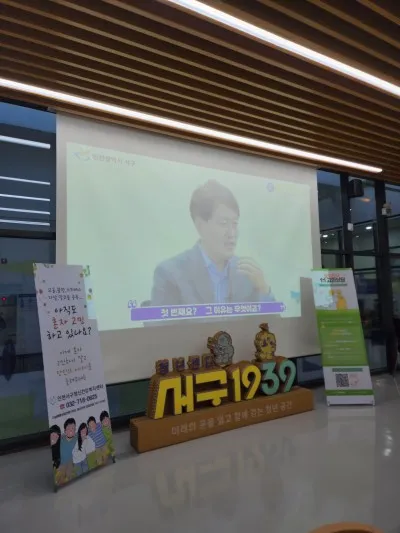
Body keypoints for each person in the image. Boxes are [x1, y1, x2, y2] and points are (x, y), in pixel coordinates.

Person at [151, 180, 274, 306]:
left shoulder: (247, 274)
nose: (232, 233)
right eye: (224, 223)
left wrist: (264, 290)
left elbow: (269, 319)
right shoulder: (170, 274)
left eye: (235, 223)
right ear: (200, 226)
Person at [58, 418, 77, 484]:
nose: (71, 430)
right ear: (65, 431)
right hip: (62, 464)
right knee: (60, 479)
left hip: (71, 463)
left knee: (70, 476)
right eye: (69, 428)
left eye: (73, 428)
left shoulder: (77, 438)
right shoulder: (60, 440)